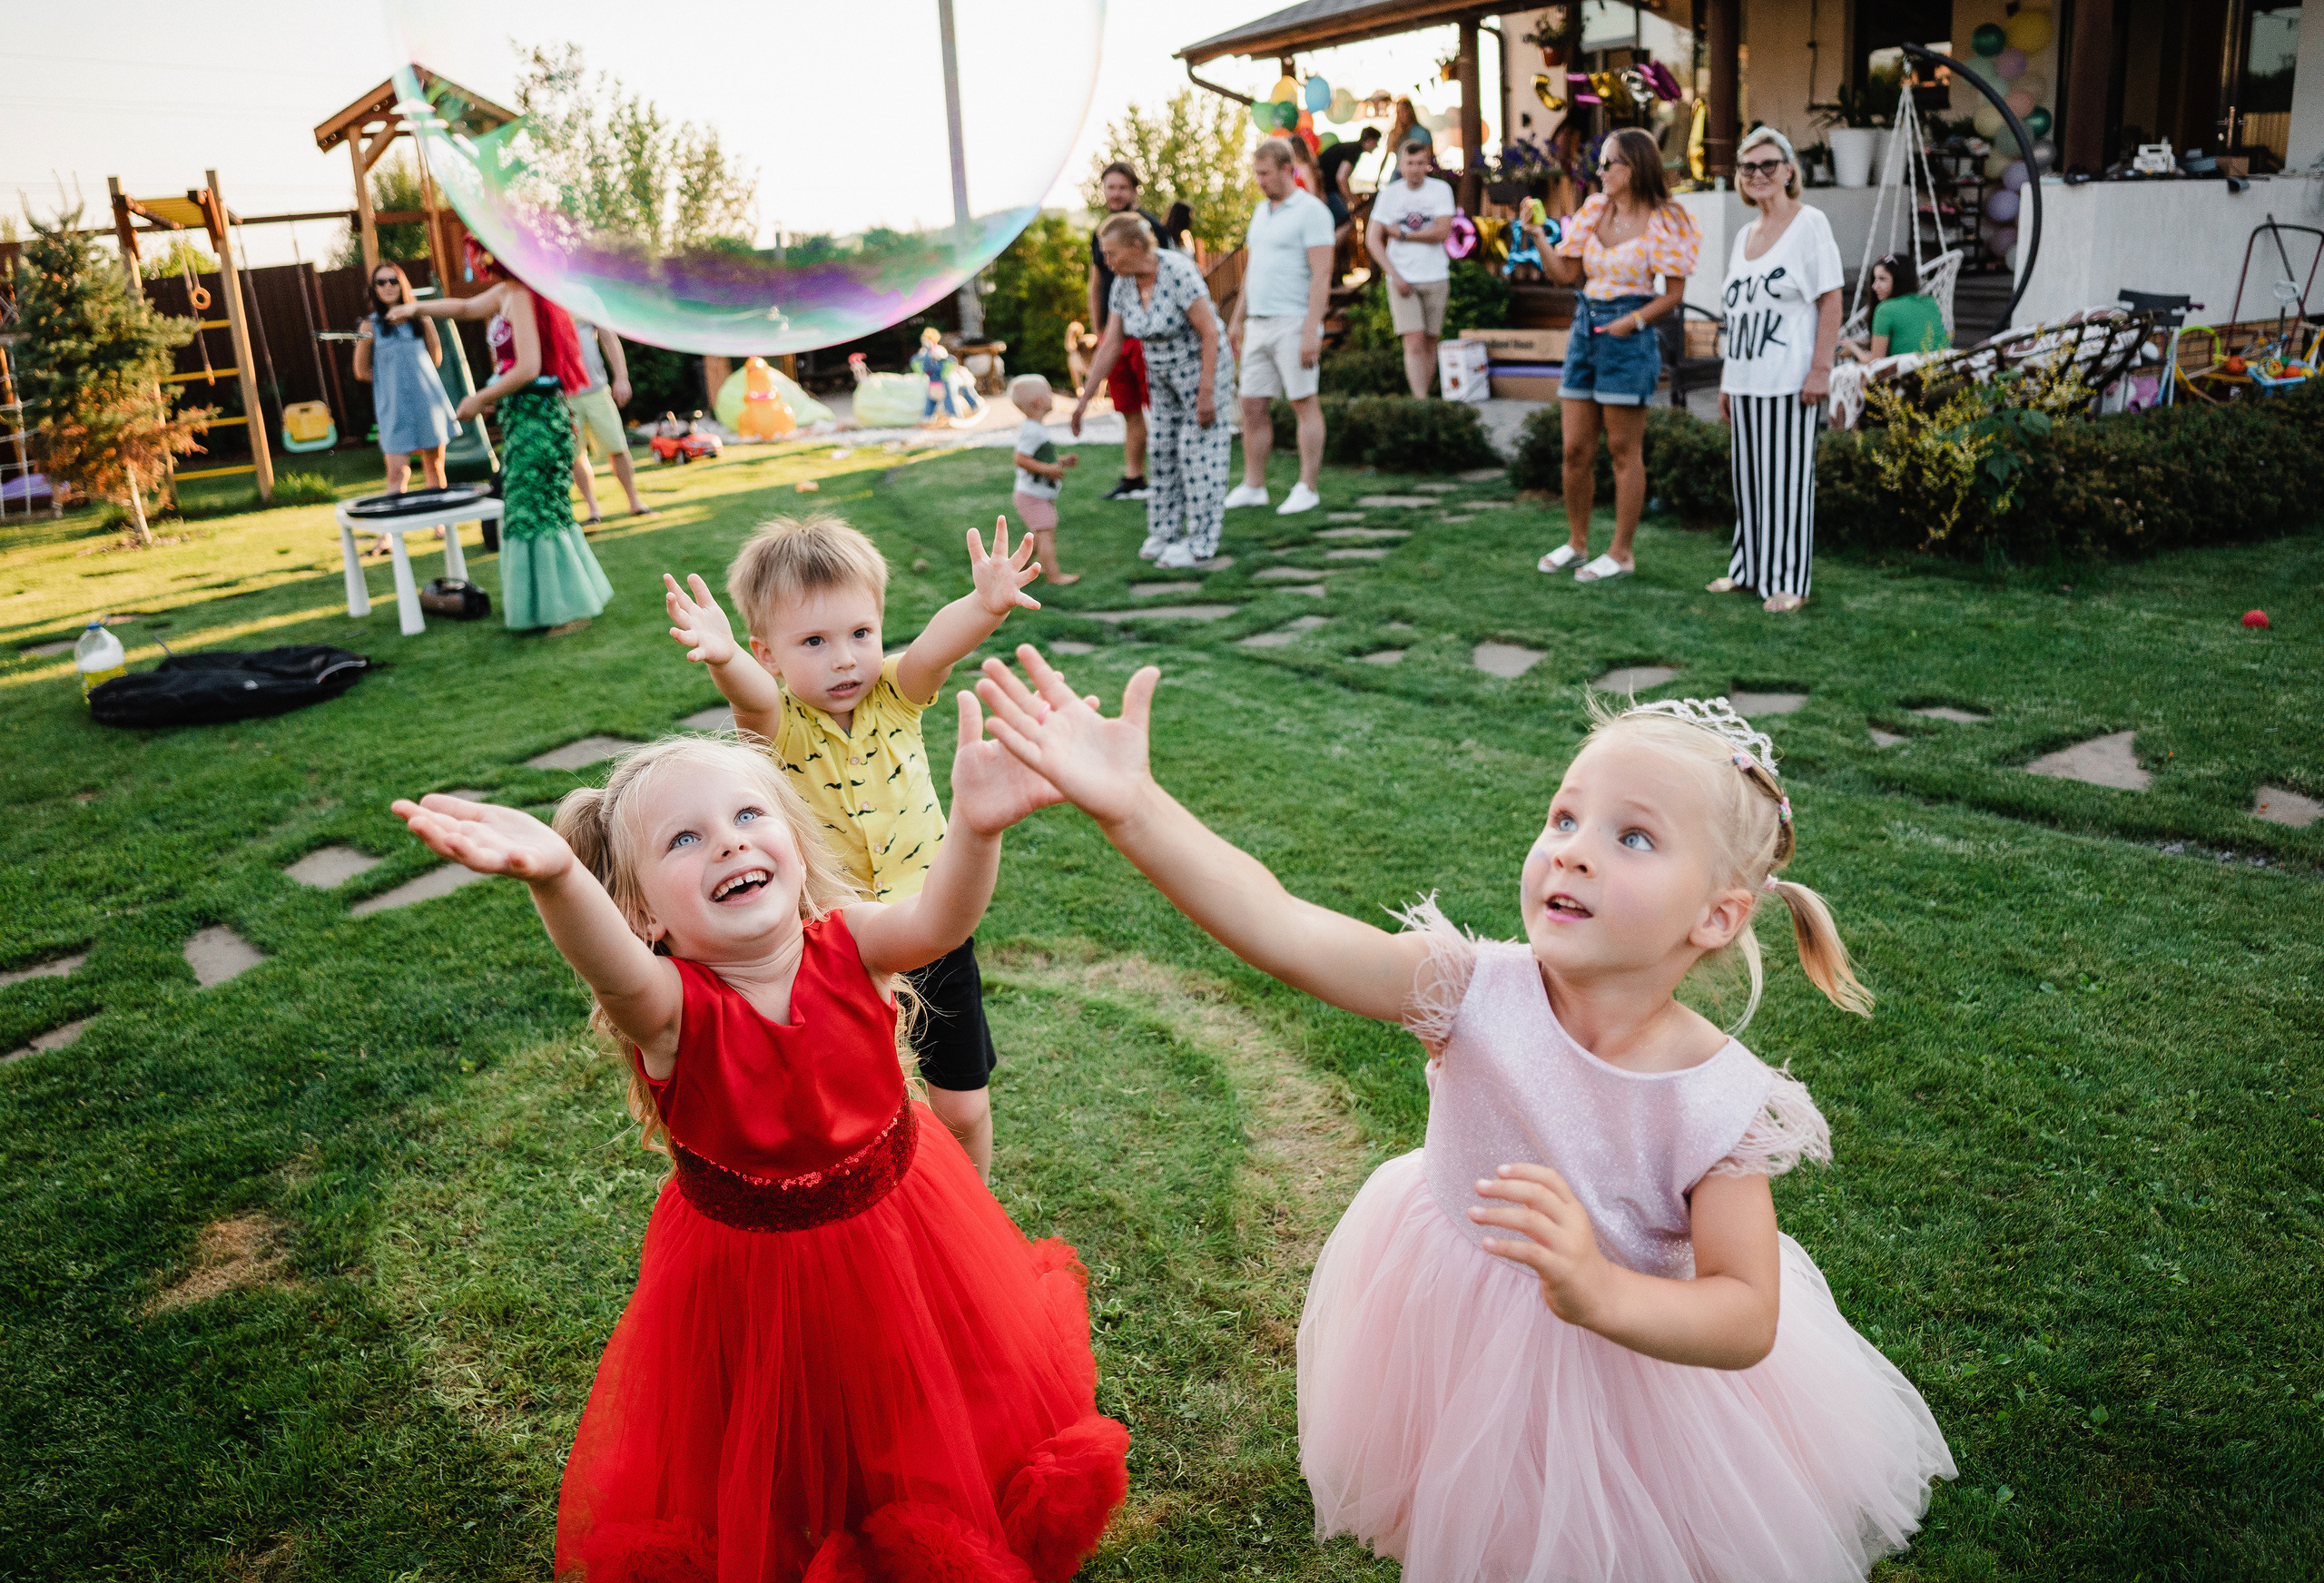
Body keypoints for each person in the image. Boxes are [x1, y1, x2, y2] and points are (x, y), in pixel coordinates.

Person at [971, 654, 1957, 1583]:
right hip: (1453, 1325)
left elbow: (1745, 1315)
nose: (1571, 851)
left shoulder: (1717, 1100)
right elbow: (1282, 926)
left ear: (1715, 915)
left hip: (1636, 1374)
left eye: (1633, 836)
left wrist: (1600, 1290)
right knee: (1485, 1522)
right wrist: (1133, 808)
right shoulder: (1471, 988)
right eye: (1564, 816)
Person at [389, 727, 1129, 1582]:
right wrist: (557, 877)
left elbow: (942, 919)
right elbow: (612, 972)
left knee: (922, 1391)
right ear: (645, 918)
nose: (730, 841)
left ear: (791, 839)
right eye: (685, 839)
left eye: (747, 814)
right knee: (785, 1424)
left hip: (906, 1227)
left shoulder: (854, 944)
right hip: (754, 1279)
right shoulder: (669, 1013)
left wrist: (977, 826)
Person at [659, 512, 1042, 1177]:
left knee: (963, 1105)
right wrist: (726, 659)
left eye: (860, 633)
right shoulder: (779, 726)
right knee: (869, 1110)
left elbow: (932, 650)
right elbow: (752, 701)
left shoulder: (895, 695)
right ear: (770, 653)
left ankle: (973, 1209)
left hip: (934, 930)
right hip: (840, 954)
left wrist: (984, 606)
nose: (844, 658)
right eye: (813, 641)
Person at [390, 240, 613, 635]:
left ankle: (567, 610)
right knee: (530, 511)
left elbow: (528, 367)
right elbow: (463, 308)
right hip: (523, 421)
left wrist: (480, 397)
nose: (481, 264)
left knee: (538, 512)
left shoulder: (525, 295)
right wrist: (415, 307)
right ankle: (550, 606)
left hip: (541, 423)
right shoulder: (508, 293)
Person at [1533, 126, 1700, 585]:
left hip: (1629, 334)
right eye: (1600, 163)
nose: (1601, 171)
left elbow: (1674, 294)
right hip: (1586, 328)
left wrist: (1635, 321)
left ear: (1636, 167)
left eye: (1610, 163)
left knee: (1623, 450)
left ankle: (1621, 552)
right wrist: (1538, 237)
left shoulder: (1665, 219)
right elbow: (1566, 274)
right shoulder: (1592, 211)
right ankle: (1577, 541)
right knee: (1574, 450)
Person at [1713, 126, 1844, 615]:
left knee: (1787, 481)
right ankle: (1748, 570)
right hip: (1745, 379)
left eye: (1769, 164)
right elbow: (1737, 315)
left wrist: (1821, 369)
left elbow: (1830, 298)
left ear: (1790, 171)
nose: (1758, 174)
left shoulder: (1810, 223)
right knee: (1749, 480)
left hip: (1791, 380)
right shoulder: (1746, 234)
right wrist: (1728, 381)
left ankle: (1790, 579)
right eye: (1749, 167)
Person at [1071, 212, 1236, 572]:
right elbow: (1111, 343)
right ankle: (1165, 532)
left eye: (1111, 253)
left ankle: (1200, 543)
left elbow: (1209, 332)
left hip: (1202, 370)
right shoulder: (1124, 284)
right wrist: (1084, 401)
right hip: (1161, 377)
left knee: (1198, 455)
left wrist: (1206, 392)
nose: (1107, 261)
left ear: (1136, 246)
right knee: (1161, 451)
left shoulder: (1178, 272)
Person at [1226, 138, 1334, 519]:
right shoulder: (1260, 211)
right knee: (1251, 404)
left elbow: (1322, 276)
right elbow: (1252, 270)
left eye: (1265, 173)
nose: (1259, 181)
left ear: (1287, 169)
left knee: (1303, 403)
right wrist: (1237, 320)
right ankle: (1253, 486)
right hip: (1258, 323)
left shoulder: (1312, 211)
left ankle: (1307, 487)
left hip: (1294, 322)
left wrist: (1311, 330)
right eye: (1256, 173)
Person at [1086, 162, 1174, 503]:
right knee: (1129, 410)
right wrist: (1099, 331)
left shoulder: (1151, 228)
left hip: (1146, 335)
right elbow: (1096, 282)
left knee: (1160, 408)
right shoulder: (1102, 231)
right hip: (1115, 335)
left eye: (1122, 187)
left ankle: (1167, 477)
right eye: (1110, 187)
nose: (1116, 193)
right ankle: (1134, 477)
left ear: (1135, 190)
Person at [350, 261, 458, 499]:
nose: (388, 286)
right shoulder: (370, 325)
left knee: (435, 466)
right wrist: (389, 382)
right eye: (381, 282)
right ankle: (390, 534)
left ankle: (440, 525)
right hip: (395, 407)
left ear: (402, 285)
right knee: (397, 472)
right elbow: (361, 370)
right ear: (374, 289)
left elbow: (435, 358)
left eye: (393, 280)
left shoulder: (420, 318)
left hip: (428, 402)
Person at [1365, 136, 1458, 398]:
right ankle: (1421, 400)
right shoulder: (1389, 194)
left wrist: (1404, 235)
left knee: (1430, 341)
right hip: (1402, 276)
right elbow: (1372, 239)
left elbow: (1442, 231)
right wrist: (1393, 275)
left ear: (1427, 164)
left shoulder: (1440, 190)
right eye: (1410, 163)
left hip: (1435, 274)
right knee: (1414, 339)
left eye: (1420, 163)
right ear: (1400, 165)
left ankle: (1424, 398)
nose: (1415, 168)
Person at [566, 318, 649, 523]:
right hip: (565, 395)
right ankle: (593, 509)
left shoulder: (587, 296)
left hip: (596, 390)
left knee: (618, 446)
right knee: (575, 454)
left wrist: (621, 377)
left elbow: (609, 338)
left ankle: (634, 501)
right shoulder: (547, 298)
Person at [1008, 372, 1079, 585]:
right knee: (1046, 533)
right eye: (1049, 393)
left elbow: (1039, 457)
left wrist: (1061, 462)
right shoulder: (1031, 431)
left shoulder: (1036, 429)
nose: (1053, 396)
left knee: (1040, 536)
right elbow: (1020, 459)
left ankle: (1017, 569)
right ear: (1038, 402)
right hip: (1031, 495)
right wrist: (1049, 470)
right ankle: (1054, 576)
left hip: (1034, 494)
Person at [1840, 253, 1951, 362]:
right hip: (1942, 367)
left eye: (1882, 279)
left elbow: (1876, 362)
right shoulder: (1930, 302)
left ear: (1899, 280)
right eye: (1875, 279)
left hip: (1910, 374)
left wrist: (1853, 349)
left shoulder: (1885, 310)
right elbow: (1908, 340)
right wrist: (1860, 344)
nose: (1874, 286)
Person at [1318, 126, 1383, 256]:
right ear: (1370, 140)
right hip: (1327, 190)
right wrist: (1354, 201)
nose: (1376, 147)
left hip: (1326, 189)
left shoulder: (1349, 147)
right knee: (1347, 222)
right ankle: (1327, 254)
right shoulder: (1354, 150)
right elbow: (1341, 178)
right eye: (1376, 142)